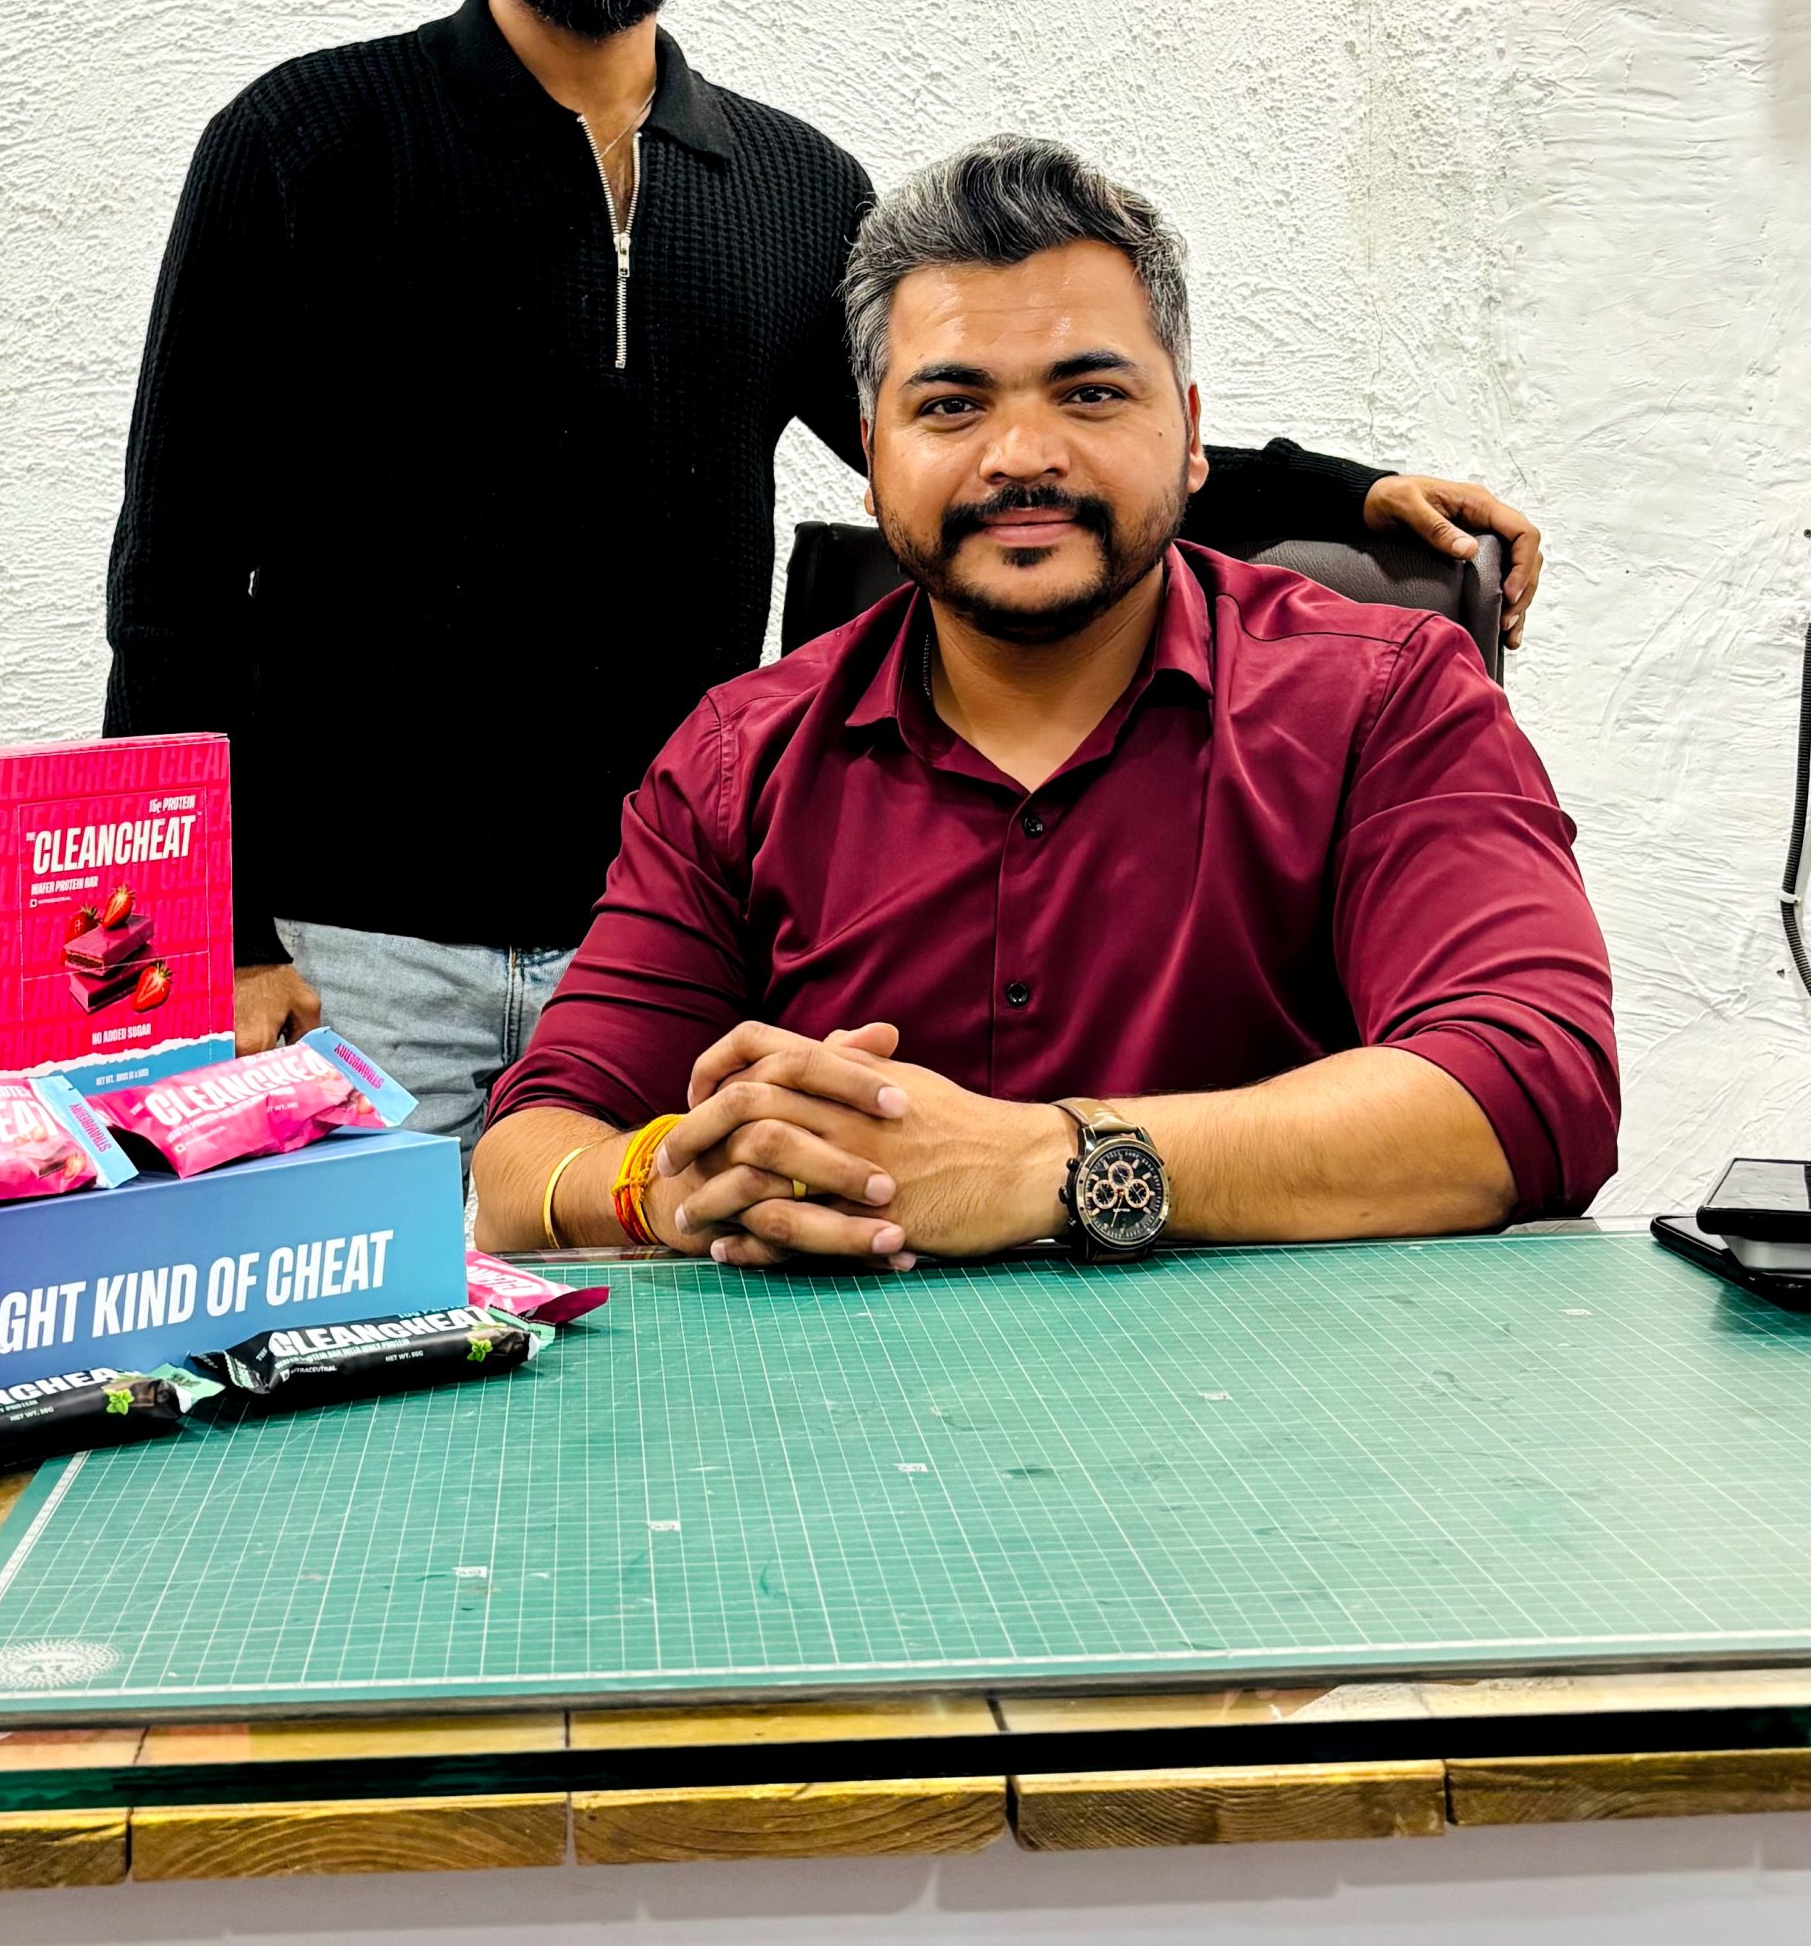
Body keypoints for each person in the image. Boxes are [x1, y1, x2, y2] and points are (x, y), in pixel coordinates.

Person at [105, 0, 1547, 1156]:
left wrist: (1337, 492)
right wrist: (215, 937)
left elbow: (975, 444)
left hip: (661, 954)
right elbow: (171, 589)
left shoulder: (792, 191)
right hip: (339, 958)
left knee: (643, 1310)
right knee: (359, 1322)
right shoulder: (301, 146)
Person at [473, 137, 1617, 1263]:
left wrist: (1050, 1163)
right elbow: (527, 1159)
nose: (1021, 455)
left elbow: (1532, 1087)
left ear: (1189, 436)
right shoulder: (740, 758)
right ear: (870, 457)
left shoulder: (1386, 700)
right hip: (847, 1379)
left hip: (1282, 1375)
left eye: (1090, 393)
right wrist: (666, 1182)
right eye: (950, 407)